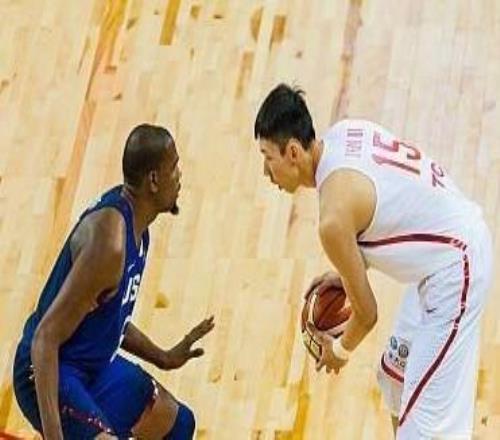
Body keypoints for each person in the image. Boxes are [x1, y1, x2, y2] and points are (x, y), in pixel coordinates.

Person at [254, 84, 493, 439]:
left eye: (267, 158)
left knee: (426, 431)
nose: (265, 171)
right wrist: (348, 271)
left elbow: (367, 314)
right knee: (395, 378)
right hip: (441, 255)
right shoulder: (346, 133)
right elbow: (392, 207)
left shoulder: (333, 219)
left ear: (292, 152)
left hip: (456, 270)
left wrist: (339, 351)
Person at [13, 124, 214, 439]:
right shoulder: (110, 244)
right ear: (153, 180)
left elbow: (110, 317)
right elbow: (44, 339)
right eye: (174, 167)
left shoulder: (138, 226)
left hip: (94, 369)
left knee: (179, 425)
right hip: (49, 372)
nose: (179, 176)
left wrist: (164, 357)